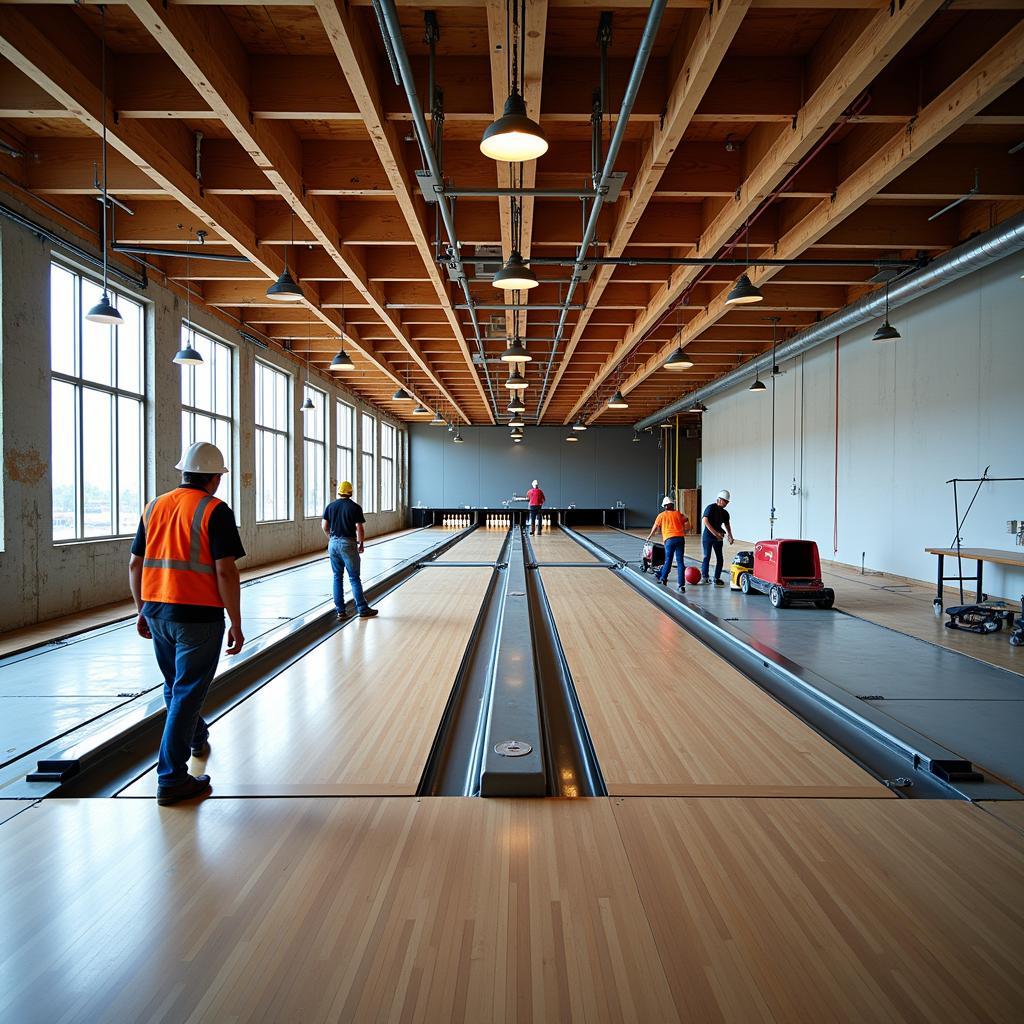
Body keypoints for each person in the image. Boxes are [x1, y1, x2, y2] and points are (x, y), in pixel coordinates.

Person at [128, 442, 245, 806]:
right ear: (215, 478)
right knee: (187, 692)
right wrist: (236, 621)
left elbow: (135, 564)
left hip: (158, 612)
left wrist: (141, 609)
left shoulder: (154, 506)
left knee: (175, 686)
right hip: (197, 616)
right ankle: (171, 777)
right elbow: (225, 570)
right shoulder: (215, 510)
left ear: (183, 473)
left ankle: (195, 737)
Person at [322, 480, 379, 622]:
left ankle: (340, 612)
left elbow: (324, 526)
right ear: (351, 492)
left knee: (337, 577)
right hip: (348, 543)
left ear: (339, 492)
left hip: (333, 544)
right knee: (354, 578)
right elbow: (359, 528)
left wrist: (331, 538)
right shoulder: (355, 507)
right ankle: (362, 609)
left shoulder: (330, 506)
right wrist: (361, 543)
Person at [646, 496, 690, 592]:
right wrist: (686, 531)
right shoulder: (678, 514)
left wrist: (649, 536)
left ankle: (663, 579)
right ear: (672, 505)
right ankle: (681, 586)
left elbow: (655, 527)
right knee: (680, 562)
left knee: (668, 560)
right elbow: (687, 520)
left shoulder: (661, 515)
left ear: (665, 506)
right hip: (680, 539)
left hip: (669, 540)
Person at [701, 489, 734, 586]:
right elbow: (705, 521)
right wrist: (715, 533)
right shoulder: (710, 508)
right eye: (725, 501)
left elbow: (727, 525)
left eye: (727, 501)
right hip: (708, 536)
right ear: (719, 499)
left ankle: (716, 578)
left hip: (718, 537)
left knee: (720, 558)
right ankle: (705, 577)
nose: (726, 503)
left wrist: (730, 535)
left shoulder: (725, 513)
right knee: (707, 556)